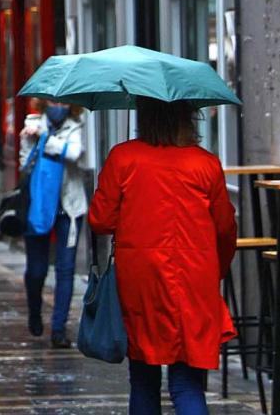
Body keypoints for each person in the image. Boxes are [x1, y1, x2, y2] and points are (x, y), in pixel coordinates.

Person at [87, 97, 236, 415]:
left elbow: (100, 221)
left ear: (144, 116)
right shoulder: (205, 164)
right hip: (194, 278)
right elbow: (224, 228)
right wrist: (216, 271)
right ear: (187, 117)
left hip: (141, 278)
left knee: (143, 380)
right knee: (187, 383)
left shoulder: (124, 157)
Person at [18, 100, 89, 347]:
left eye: (63, 101)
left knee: (66, 269)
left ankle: (59, 328)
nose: (58, 106)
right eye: (52, 100)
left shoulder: (78, 125)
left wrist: (45, 139)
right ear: (43, 102)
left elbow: (75, 154)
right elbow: (24, 163)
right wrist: (33, 140)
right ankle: (35, 311)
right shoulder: (31, 124)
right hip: (38, 205)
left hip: (69, 207)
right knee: (36, 270)